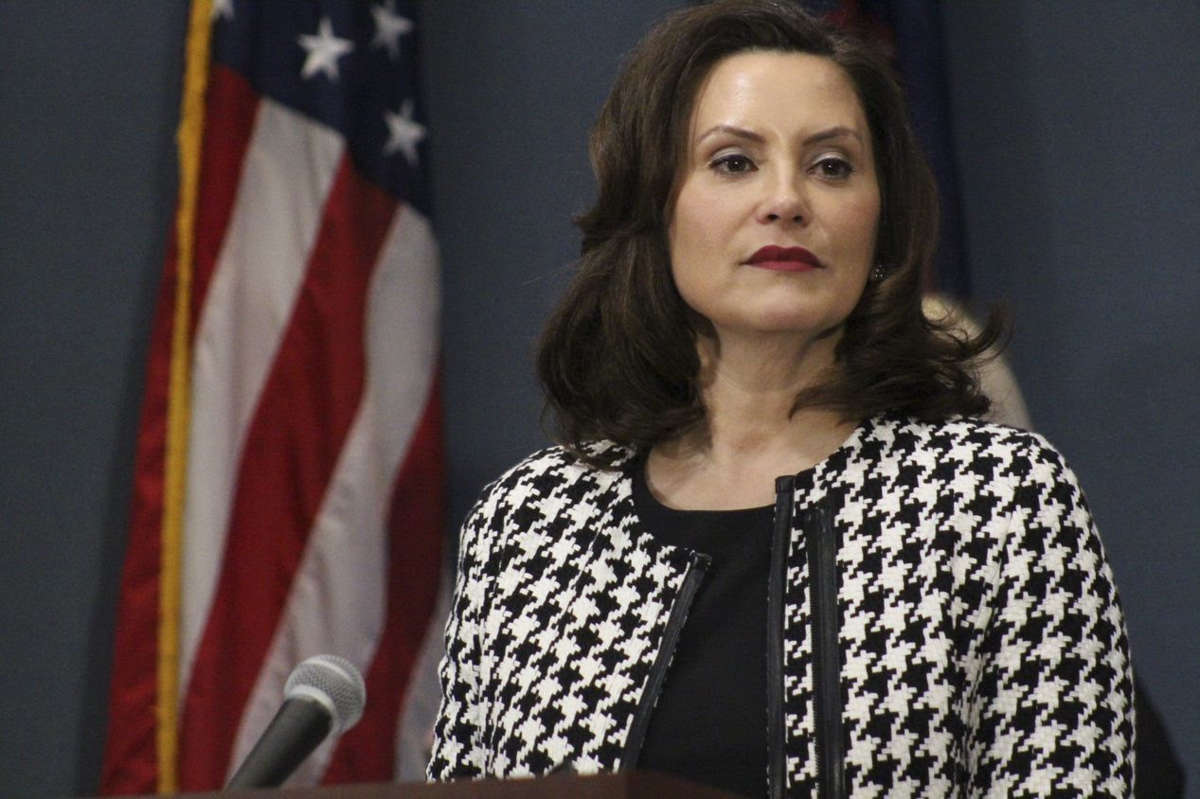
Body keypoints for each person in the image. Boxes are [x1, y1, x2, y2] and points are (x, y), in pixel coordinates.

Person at [427, 1, 1135, 796]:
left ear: (881, 222)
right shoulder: (530, 525)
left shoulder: (998, 500)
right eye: (734, 162)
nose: (787, 200)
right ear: (653, 208)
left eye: (831, 166)